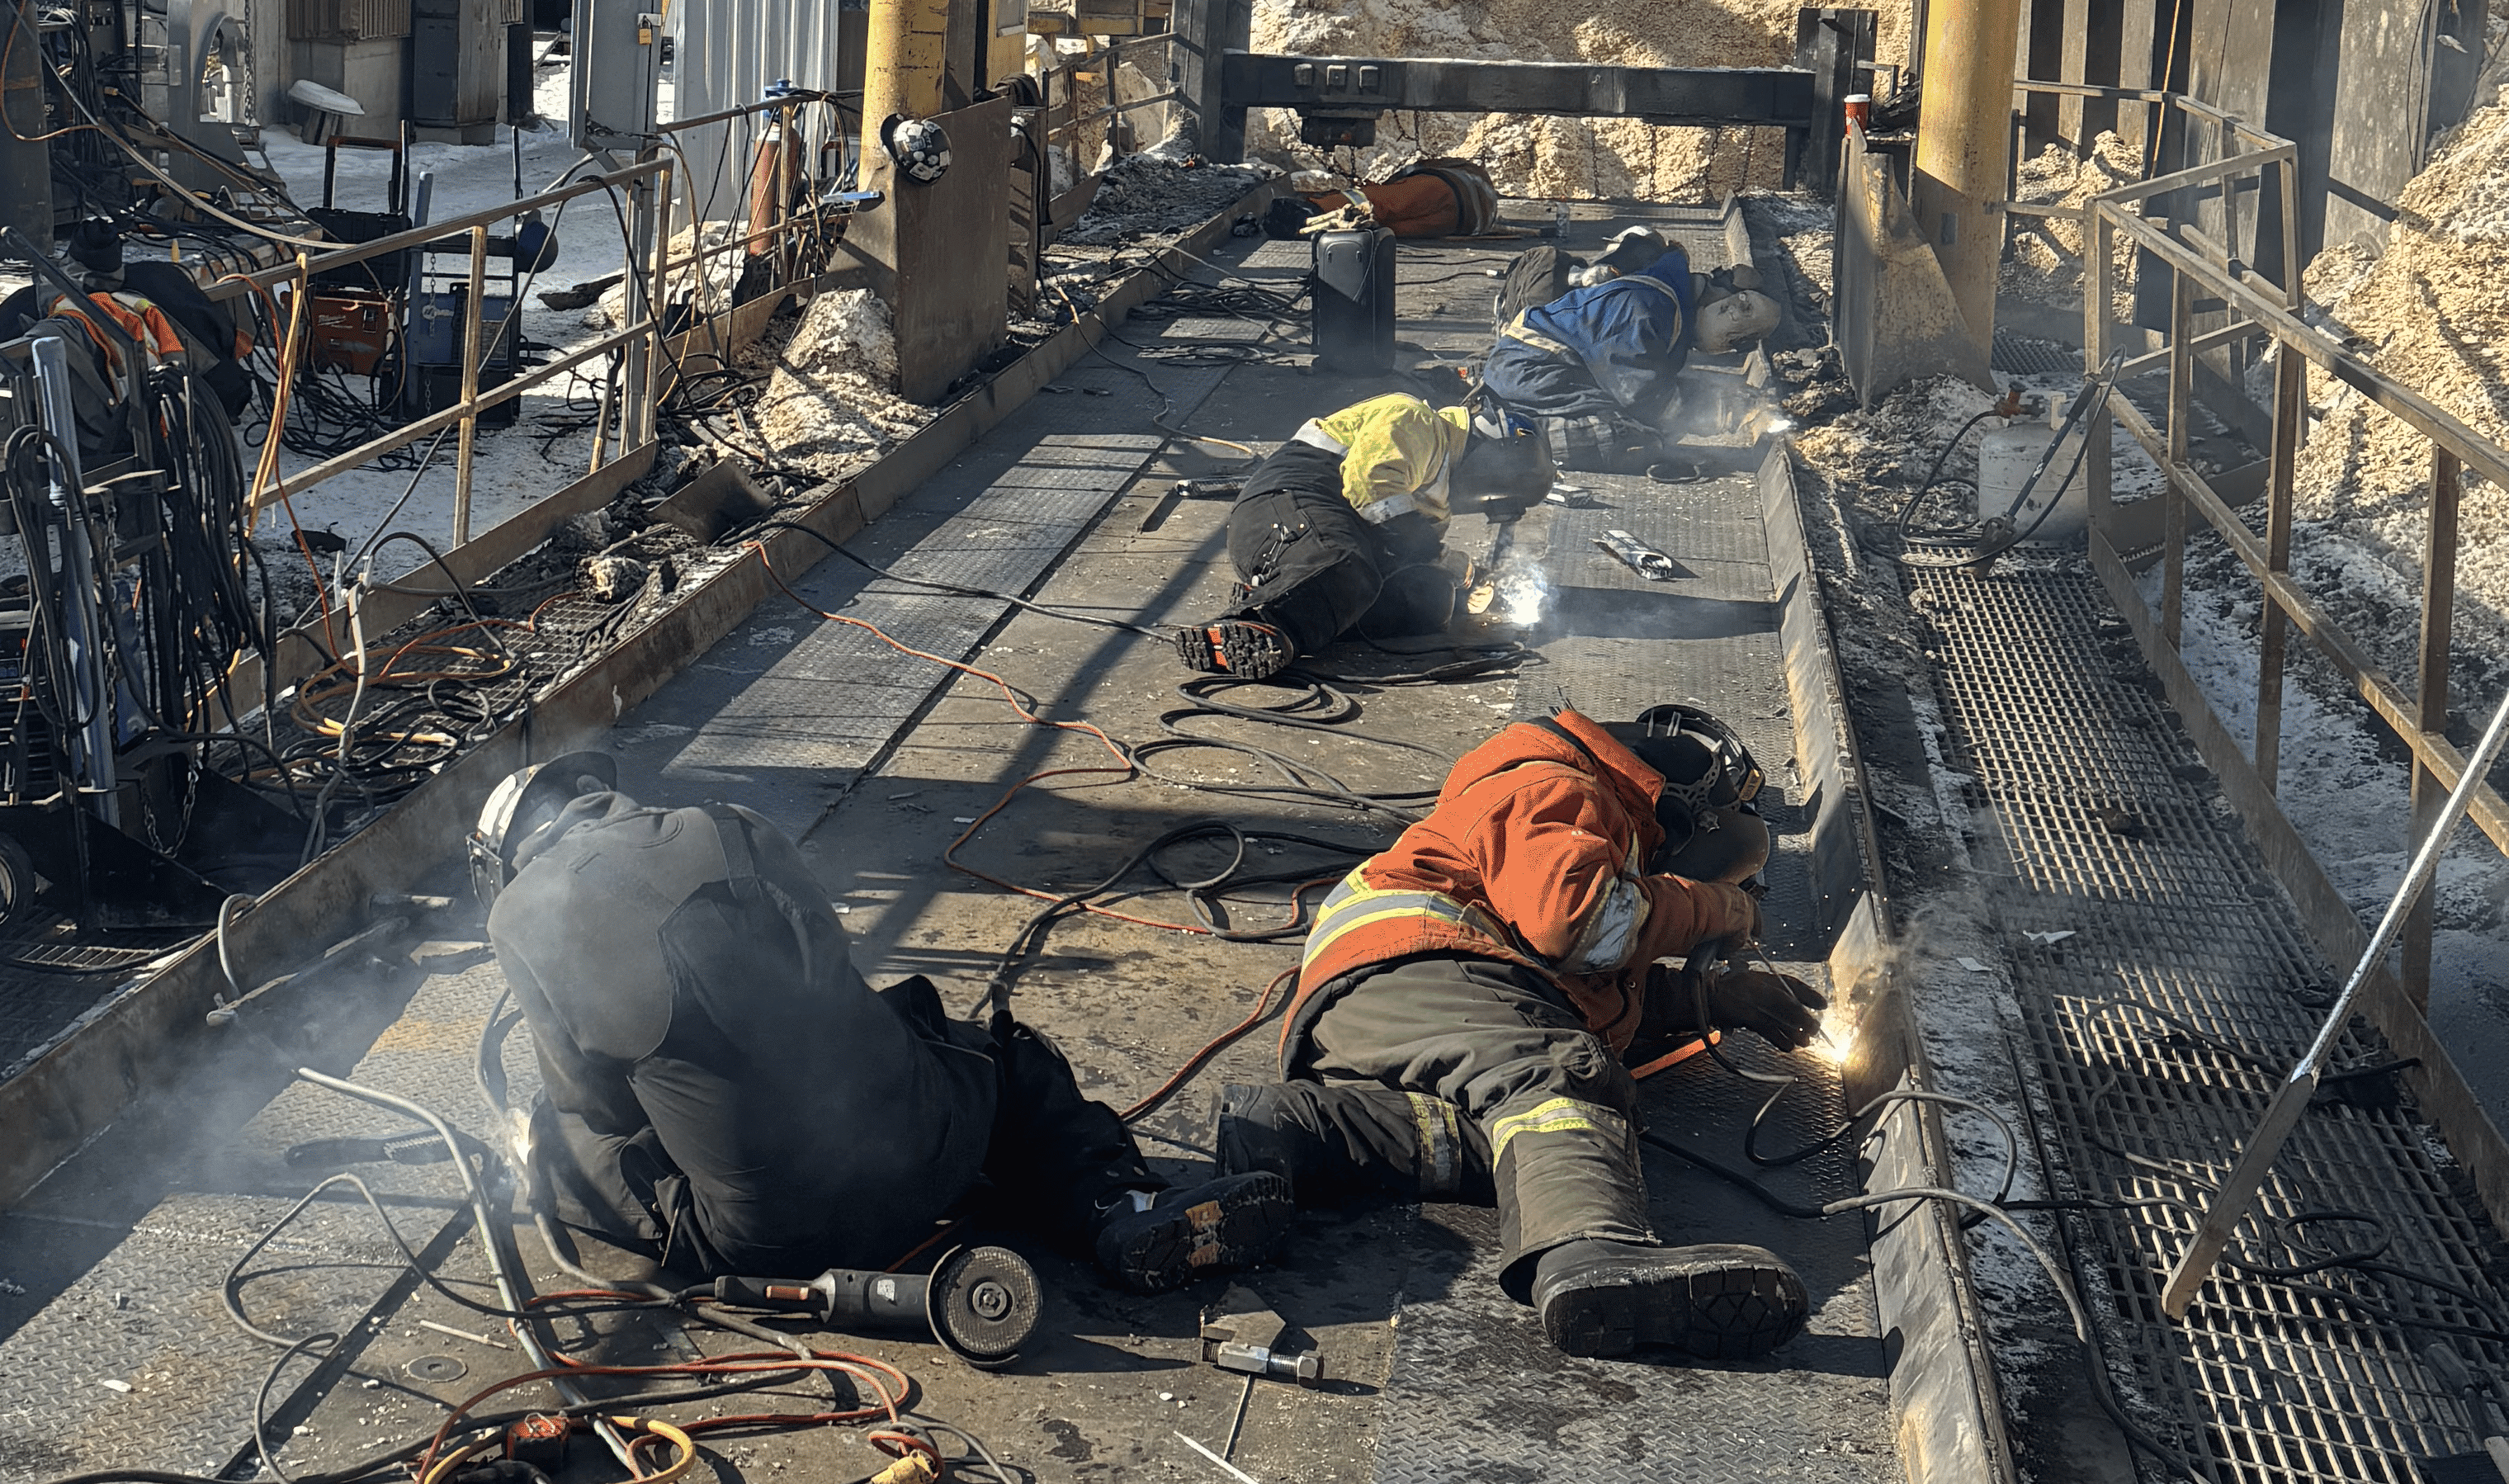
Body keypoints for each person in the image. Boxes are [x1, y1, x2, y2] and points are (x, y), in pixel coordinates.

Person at [476, 749, 1286, 1293]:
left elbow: (601, 1112)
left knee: (554, 1135)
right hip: (925, 1159)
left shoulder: (520, 918)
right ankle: (1115, 1208)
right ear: (599, 794)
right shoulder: (732, 825)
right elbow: (826, 981)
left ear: (509, 857)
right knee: (996, 1061)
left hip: (763, 1245)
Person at [1216, 698, 1824, 1359]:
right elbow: (1580, 928)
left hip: (1383, 1016)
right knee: (1560, 1077)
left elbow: (1580, 984)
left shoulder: (1577, 821)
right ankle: (1589, 1250)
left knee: (1527, 1144)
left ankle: (1302, 1131)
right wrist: (1716, 908)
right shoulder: (1555, 784)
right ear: (1678, 822)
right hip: (1427, 967)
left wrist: (1713, 998)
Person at [1172, 392, 1550, 684]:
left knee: (1427, 598)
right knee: (1348, 566)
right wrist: (1436, 552)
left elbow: (1408, 558)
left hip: (1314, 536)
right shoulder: (1417, 420)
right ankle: (1253, 622)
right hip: (1285, 507)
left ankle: (1285, 595)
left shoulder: (1437, 497)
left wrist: (1461, 584)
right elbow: (1370, 485)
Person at [1470, 229, 1780, 470]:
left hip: (1542, 370)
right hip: (1530, 371)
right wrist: (1719, 409)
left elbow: (1646, 380)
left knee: (1650, 428)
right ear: (1728, 310)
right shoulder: (1646, 310)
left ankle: (1516, 422)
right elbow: (1641, 395)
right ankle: (1504, 434)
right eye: (1736, 339)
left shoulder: (1667, 306)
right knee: (1630, 438)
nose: (1728, 348)